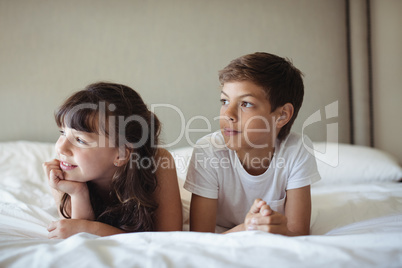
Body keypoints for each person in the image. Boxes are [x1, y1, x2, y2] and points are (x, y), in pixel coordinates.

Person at [184, 52, 321, 235]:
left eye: (246, 104)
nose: (228, 114)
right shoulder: (208, 151)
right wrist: (247, 228)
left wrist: (277, 230)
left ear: (282, 115)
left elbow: (298, 233)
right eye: (225, 101)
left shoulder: (296, 150)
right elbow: (201, 238)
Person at [43, 82, 182, 239]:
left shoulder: (157, 162)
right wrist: (78, 193)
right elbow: (76, 234)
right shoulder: (62, 174)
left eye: (80, 140)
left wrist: (89, 229)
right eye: (63, 132)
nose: (60, 148)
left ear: (121, 154)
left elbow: (167, 238)